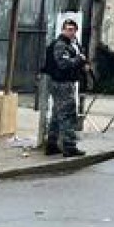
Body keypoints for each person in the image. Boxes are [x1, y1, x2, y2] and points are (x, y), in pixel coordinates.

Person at [39, 17, 90, 158]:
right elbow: (63, 64)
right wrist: (79, 60)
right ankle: (69, 147)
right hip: (62, 83)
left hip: (65, 82)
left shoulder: (73, 44)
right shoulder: (61, 44)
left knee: (56, 114)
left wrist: (83, 63)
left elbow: (74, 62)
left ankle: (52, 144)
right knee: (68, 114)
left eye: (73, 30)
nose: (71, 32)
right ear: (63, 30)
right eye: (68, 29)